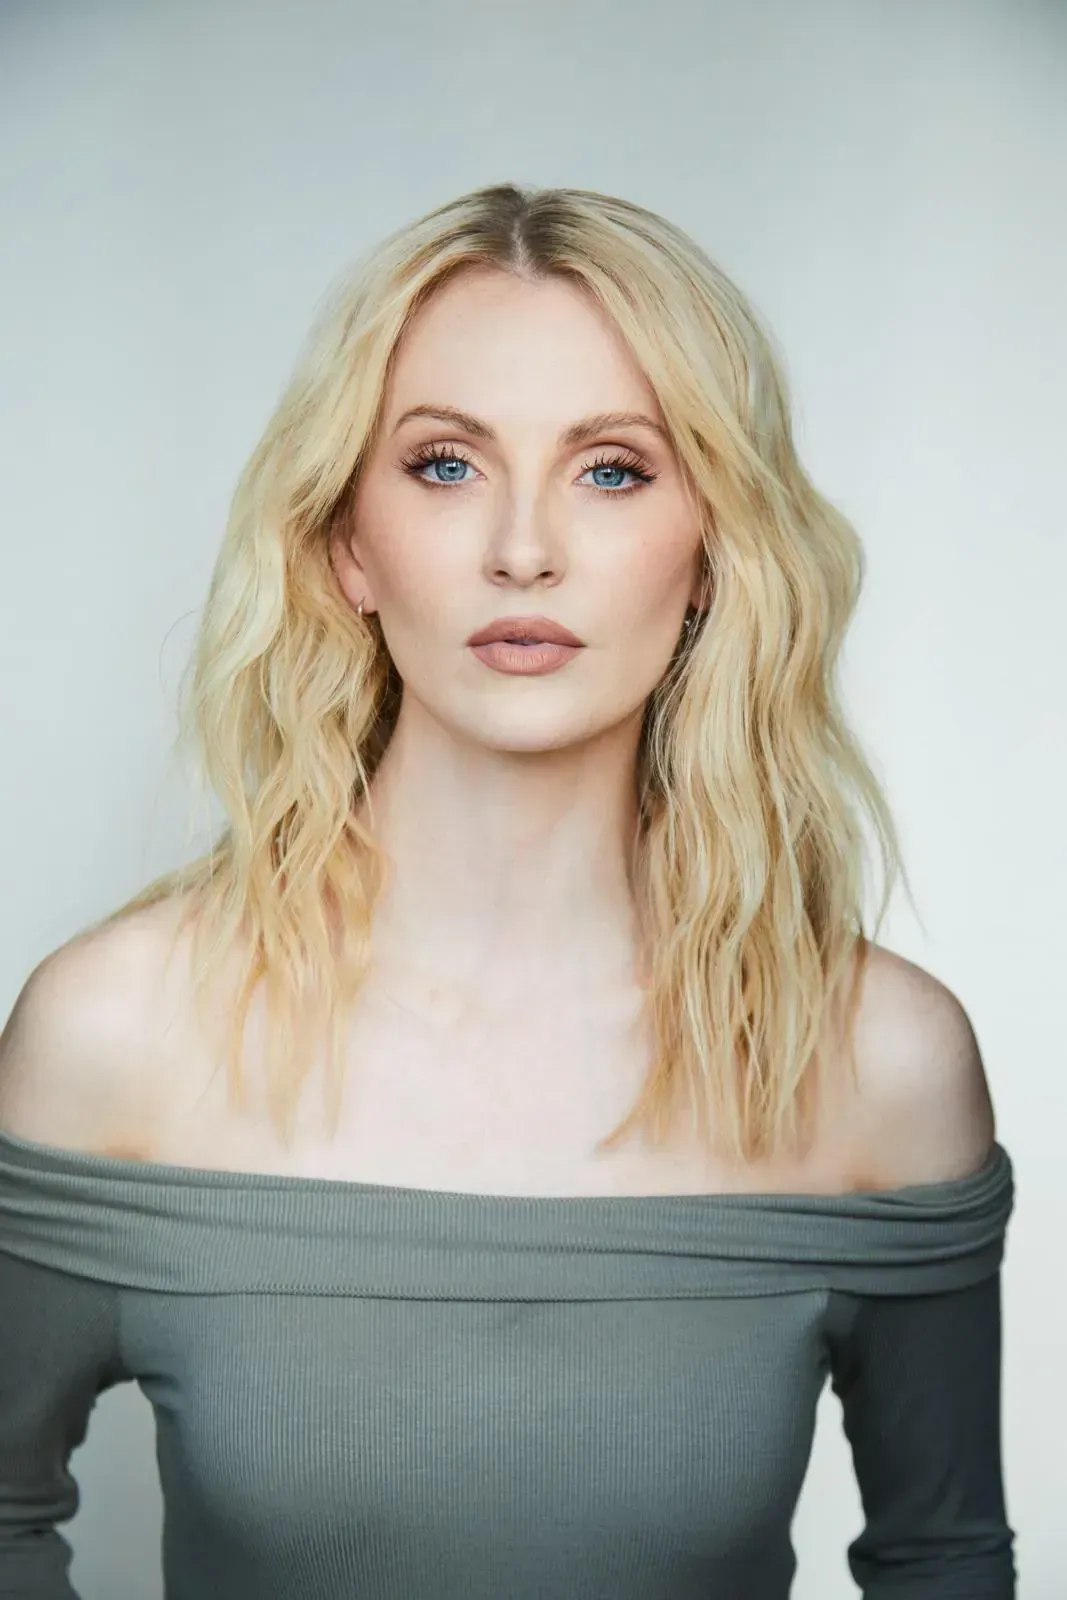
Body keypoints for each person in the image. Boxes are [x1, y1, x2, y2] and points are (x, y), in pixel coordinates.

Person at [0, 182, 1014, 1598]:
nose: (522, 548)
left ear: (714, 550)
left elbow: (941, 1556)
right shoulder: (115, 1031)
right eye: (442, 465)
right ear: (345, 543)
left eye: (611, 470)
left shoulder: (876, 1060)